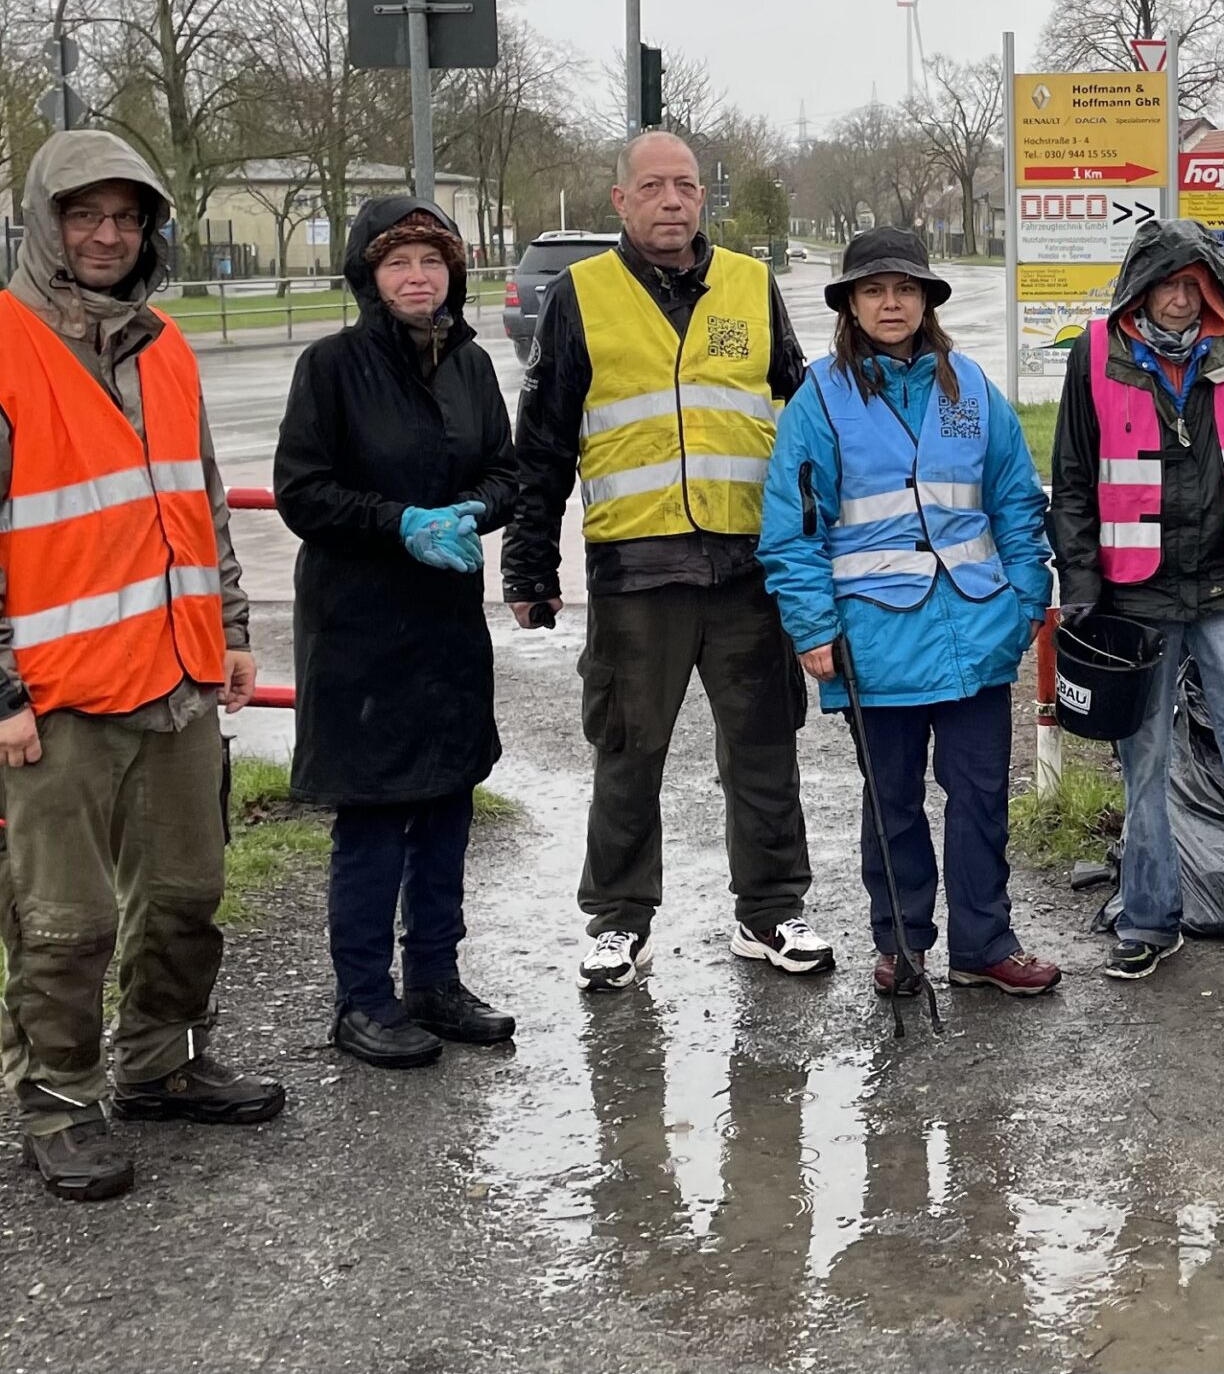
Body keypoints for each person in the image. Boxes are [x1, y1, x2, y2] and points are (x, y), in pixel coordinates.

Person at [0, 130, 282, 1202]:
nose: (108, 235)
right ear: (44, 222)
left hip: (175, 680)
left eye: (126, 216)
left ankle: (160, 1063)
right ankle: (59, 1105)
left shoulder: (163, 346)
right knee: (62, 923)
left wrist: (236, 629)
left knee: (185, 894)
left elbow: (201, 506)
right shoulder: (6, 342)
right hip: (56, 702)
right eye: (84, 215)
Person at [502, 131, 831, 990]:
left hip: (748, 570)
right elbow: (541, 448)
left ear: (702, 197)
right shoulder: (581, 297)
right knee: (627, 748)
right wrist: (529, 568)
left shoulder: (753, 287)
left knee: (763, 747)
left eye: (685, 185)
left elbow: (802, 425)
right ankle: (618, 922)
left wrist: (820, 549)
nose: (672, 201)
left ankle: (770, 911)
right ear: (621, 200)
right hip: (636, 573)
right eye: (653, 186)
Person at [758, 229, 1061, 998]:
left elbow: (1018, 504)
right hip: (873, 641)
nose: (890, 303)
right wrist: (814, 625)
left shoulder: (972, 391)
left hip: (974, 634)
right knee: (891, 801)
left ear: (926, 299)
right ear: (851, 306)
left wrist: (1028, 593)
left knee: (982, 797)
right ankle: (901, 944)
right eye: (873, 290)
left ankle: (984, 943)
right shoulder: (819, 399)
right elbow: (794, 529)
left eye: (904, 289)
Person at [273, 198, 520, 1068]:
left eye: (432, 261)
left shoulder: (473, 365)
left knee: (448, 800)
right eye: (398, 263)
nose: (419, 277)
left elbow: (505, 468)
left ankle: (436, 979)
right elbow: (303, 492)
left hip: (446, 623)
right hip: (361, 627)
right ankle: (363, 998)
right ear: (369, 279)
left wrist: (473, 510)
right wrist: (399, 521)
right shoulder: (331, 367)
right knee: (375, 816)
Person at [1049, 221, 1224, 986]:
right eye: (1168, 282)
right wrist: (1080, 585)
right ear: (1140, 289)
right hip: (1134, 599)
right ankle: (1147, 918)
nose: (1180, 297)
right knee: (1145, 765)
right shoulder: (1094, 355)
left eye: (1195, 284)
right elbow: (1071, 481)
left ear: (1214, 290)